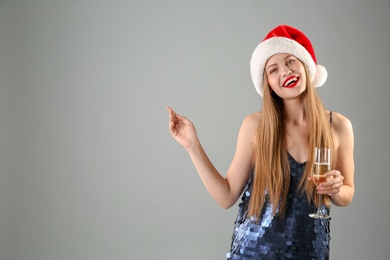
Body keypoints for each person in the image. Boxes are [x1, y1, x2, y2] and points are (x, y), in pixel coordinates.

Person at [166, 25, 354, 259]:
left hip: (311, 251)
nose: (285, 72)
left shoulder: (339, 126)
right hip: (253, 252)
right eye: (273, 70)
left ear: (306, 66)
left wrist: (336, 189)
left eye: (290, 61)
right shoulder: (255, 126)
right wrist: (192, 144)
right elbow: (226, 197)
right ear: (268, 84)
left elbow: (347, 193)